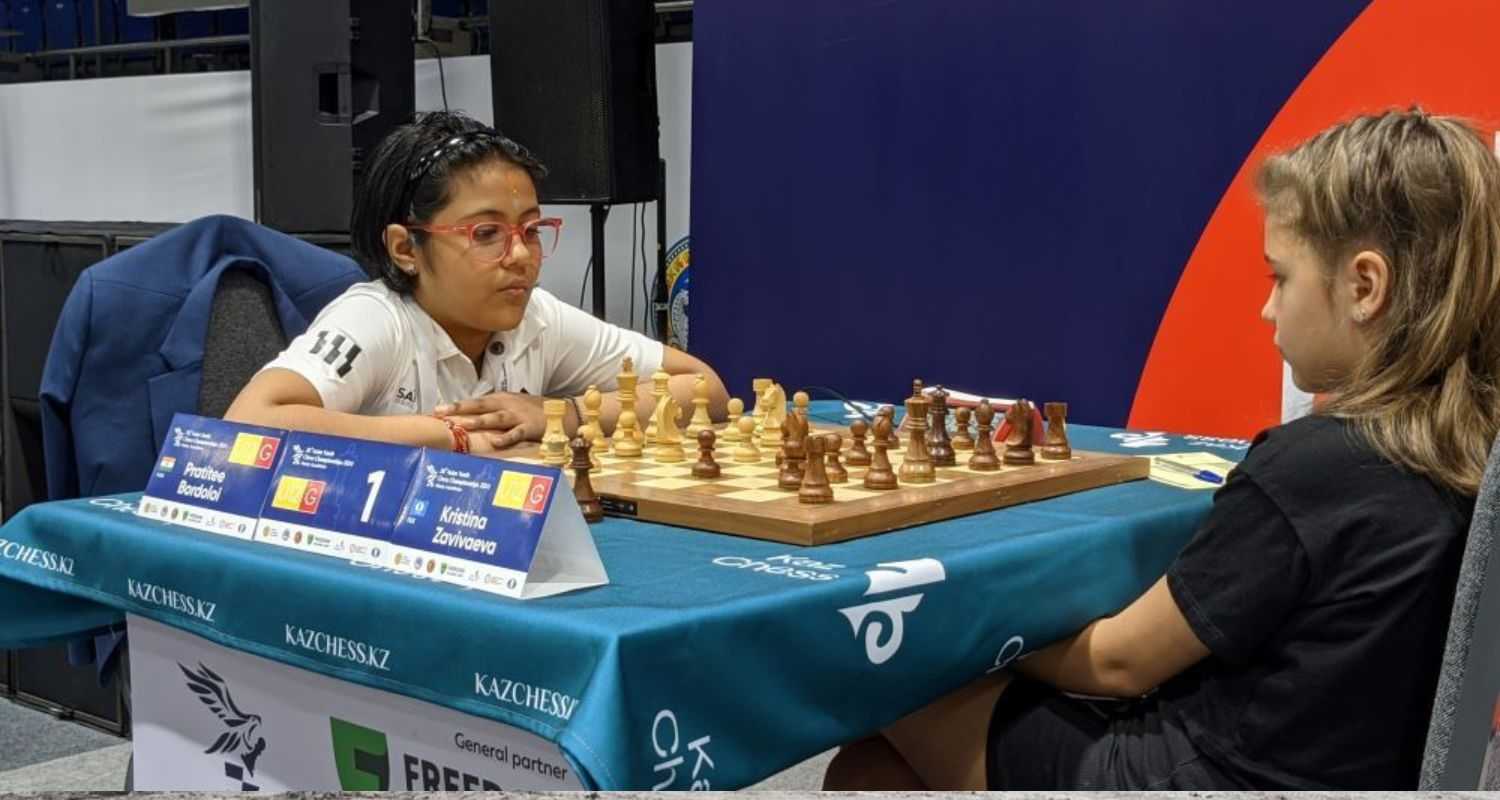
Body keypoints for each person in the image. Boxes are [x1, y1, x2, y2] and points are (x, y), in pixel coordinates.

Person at [824, 108, 1500, 789]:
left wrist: (964, 645)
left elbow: (1119, 665)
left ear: (1364, 287)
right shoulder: (1465, 454)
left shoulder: (1315, 467)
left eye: (1280, 278)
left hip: (1200, 776)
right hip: (1338, 770)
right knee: (868, 771)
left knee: (881, 688)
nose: (1268, 310)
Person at [226, 112, 727, 453]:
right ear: (405, 249)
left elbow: (706, 388)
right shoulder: (377, 319)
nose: (520, 256)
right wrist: (448, 434)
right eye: (486, 233)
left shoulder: (537, 319)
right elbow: (247, 422)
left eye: (531, 230)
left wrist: (563, 414)